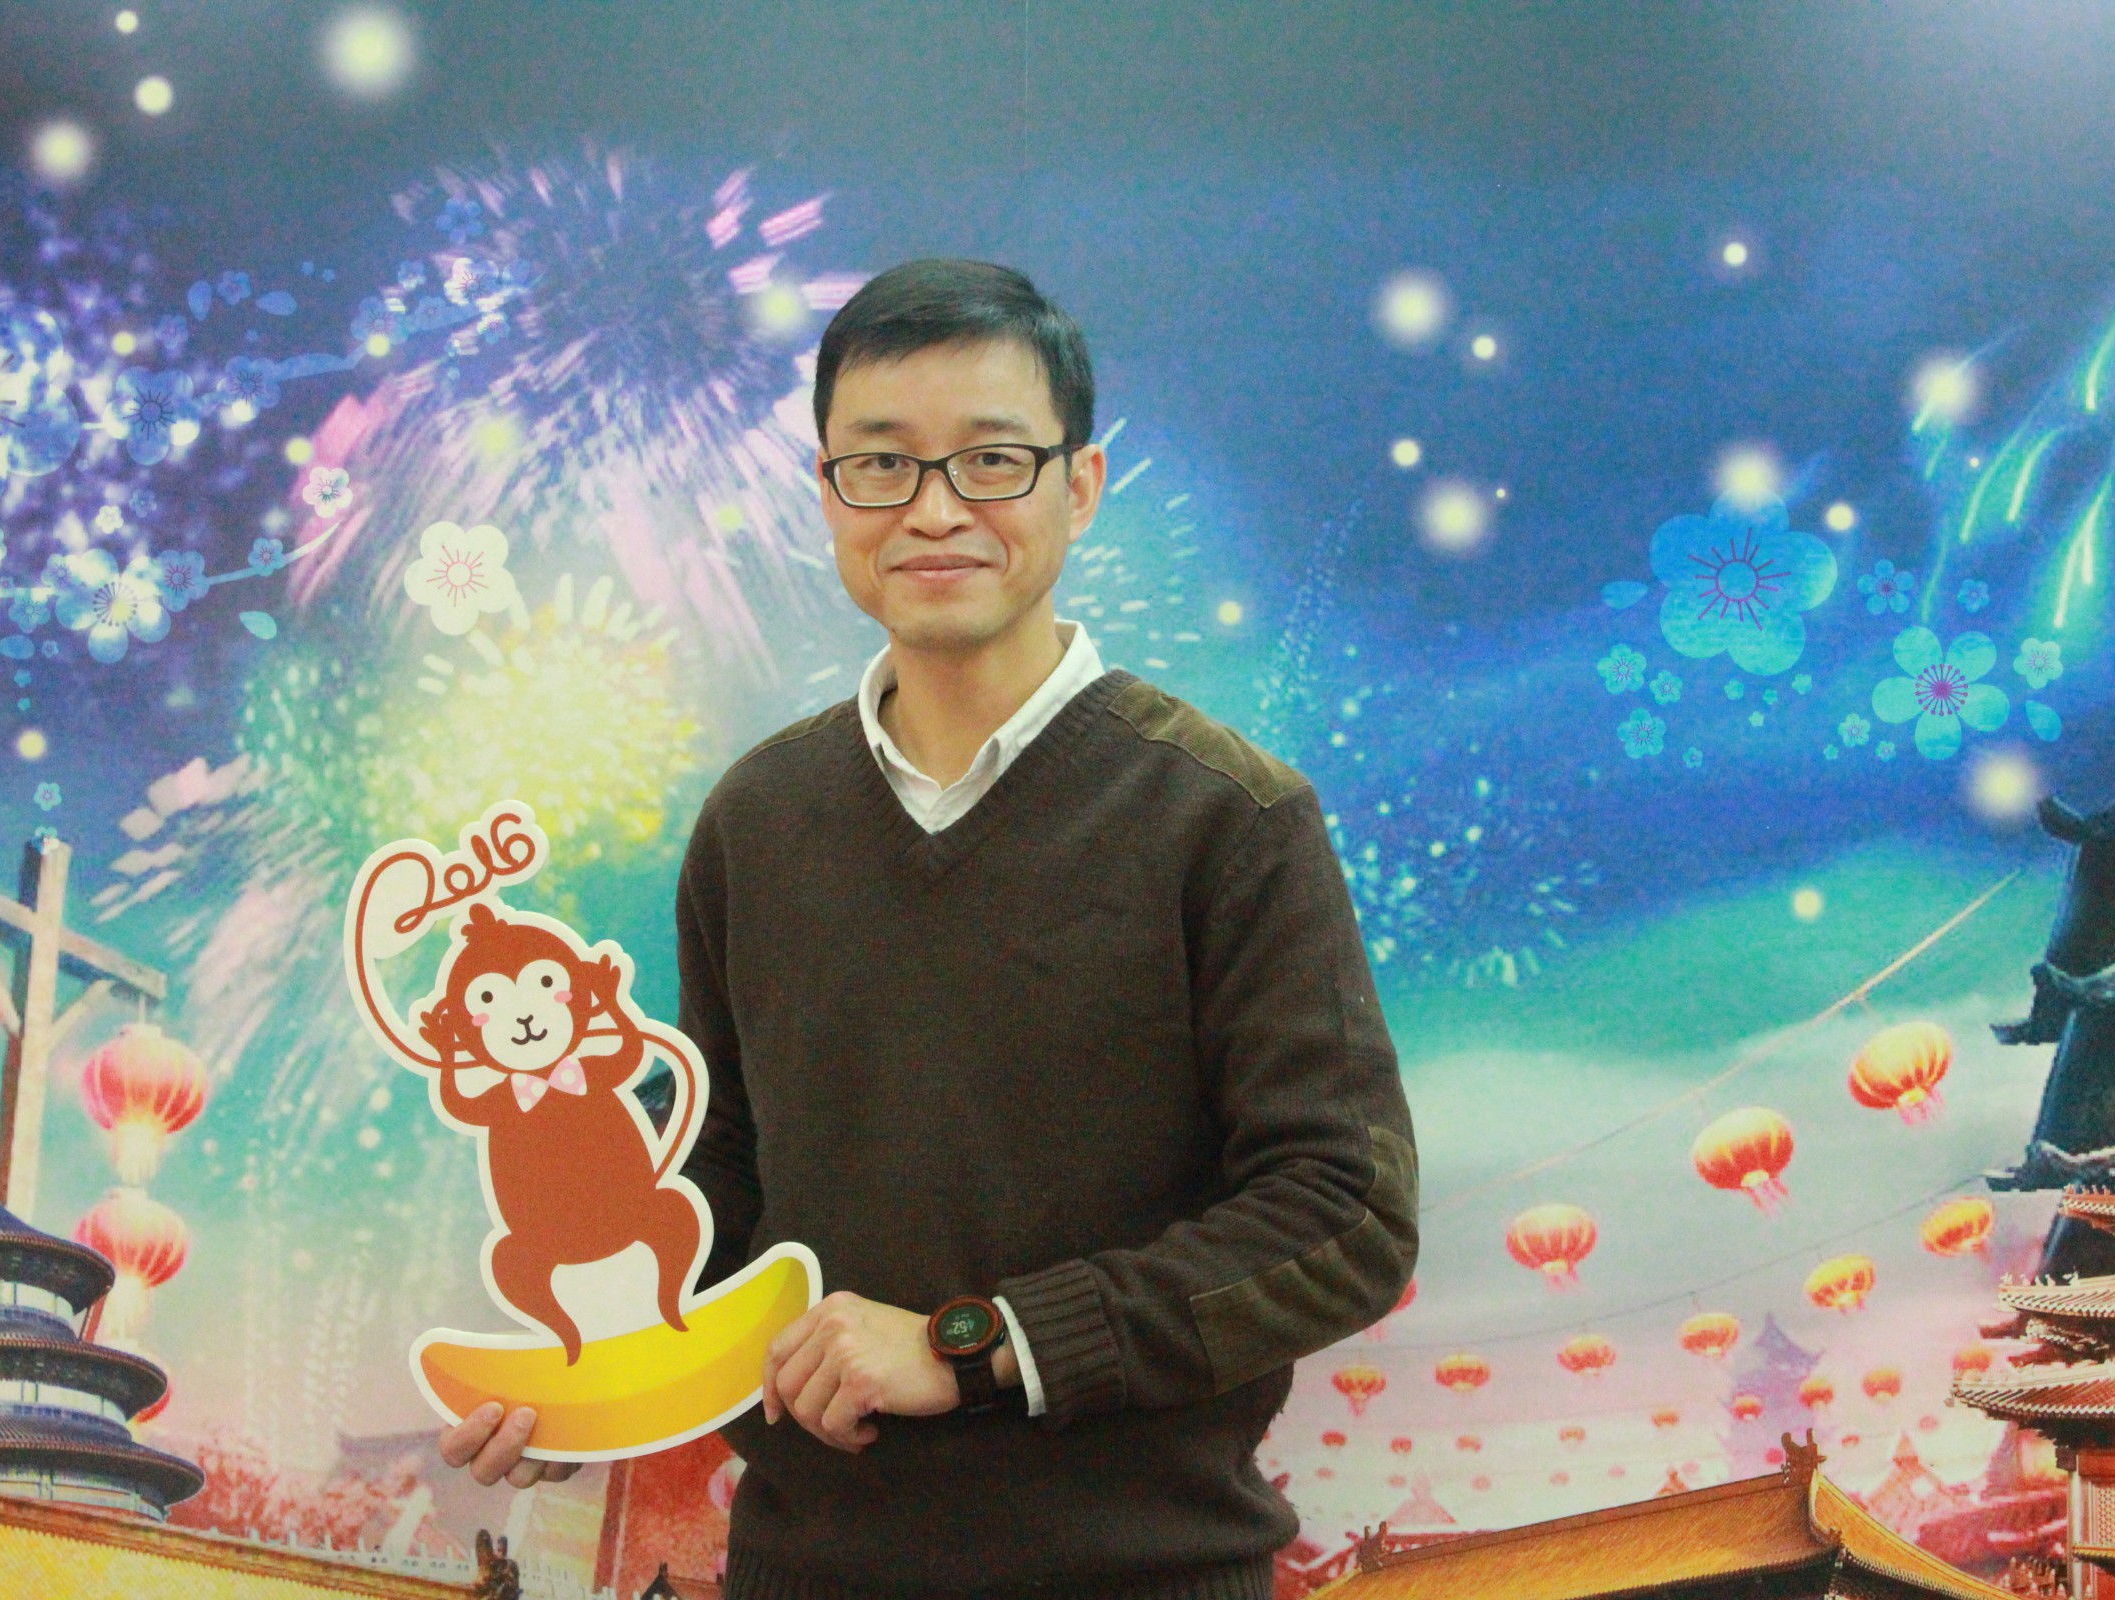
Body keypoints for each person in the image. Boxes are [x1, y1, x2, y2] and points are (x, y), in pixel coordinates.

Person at [441, 259, 1417, 1599]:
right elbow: (721, 1172)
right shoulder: (755, 820)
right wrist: (607, 1382)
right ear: (827, 495)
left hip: (1148, 1573)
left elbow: (1344, 1213)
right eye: (881, 465)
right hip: (804, 1569)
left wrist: (981, 1344)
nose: (935, 509)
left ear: (1080, 486)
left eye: (993, 460)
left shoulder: (1229, 816)